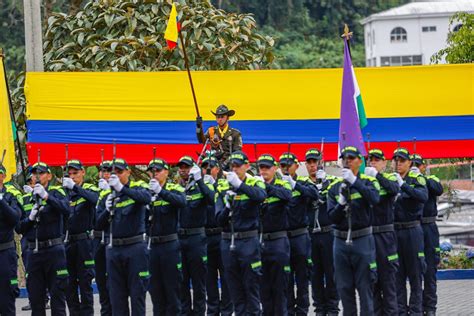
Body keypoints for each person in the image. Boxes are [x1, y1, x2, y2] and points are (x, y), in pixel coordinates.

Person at [327, 146, 380, 315]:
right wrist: (341, 203)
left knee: (365, 288)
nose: (347, 161)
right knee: (344, 288)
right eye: (344, 158)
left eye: (351, 158)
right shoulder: (334, 187)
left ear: (359, 161)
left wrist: (355, 182)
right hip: (340, 242)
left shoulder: (368, 181)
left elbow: (374, 199)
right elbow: (332, 218)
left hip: (362, 240)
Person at [95, 158, 151, 315]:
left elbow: (146, 198)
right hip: (114, 249)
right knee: (117, 298)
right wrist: (107, 210)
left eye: (120, 172)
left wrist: (122, 189)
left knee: (137, 296)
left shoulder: (138, 186)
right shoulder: (106, 195)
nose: (116, 176)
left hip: (135, 248)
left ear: (128, 171)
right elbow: (98, 225)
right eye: (114, 173)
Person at [215, 151, 267, 315]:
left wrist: (240, 185)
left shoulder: (255, 182)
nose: (235, 169)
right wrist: (227, 208)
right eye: (233, 166)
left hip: (248, 242)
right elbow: (218, 219)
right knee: (234, 290)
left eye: (238, 166)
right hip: (228, 242)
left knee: (251, 289)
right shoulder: (223, 186)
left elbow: (261, 196)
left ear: (247, 166)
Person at [17, 161, 70, 315]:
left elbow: (66, 209)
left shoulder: (57, 192)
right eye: (34, 173)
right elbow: (20, 227)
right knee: (36, 299)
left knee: (58, 297)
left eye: (41, 173)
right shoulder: (26, 199)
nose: (37, 176)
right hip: (33, 252)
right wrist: (31, 218)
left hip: (54, 250)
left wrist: (46, 197)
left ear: (49, 175)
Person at [279, 152, 318, 315]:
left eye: (289, 165)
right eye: (283, 166)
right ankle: (288, 310)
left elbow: (315, 194)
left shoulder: (303, 181)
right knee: (285, 278)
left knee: (302, 277)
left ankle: (302, 311)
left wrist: (295, 185)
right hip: (283, 237)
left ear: (296, 165)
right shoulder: (277, 184)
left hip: (300, 236)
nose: (286, 168)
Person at [147, 158, 187, 315]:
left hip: (170, 246)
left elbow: (181, 202)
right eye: (152, 171)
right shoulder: (146, 191)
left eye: (158, 170)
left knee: (173, 292)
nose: (155, 174)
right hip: (152, 247)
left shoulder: (174, 188)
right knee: (156, 293)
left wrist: (161, 192)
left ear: (166, 172)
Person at [392, 148, 428, 315]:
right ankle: (400, 311)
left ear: (409, 163)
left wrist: (403, 185)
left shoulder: (416, 178)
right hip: (396, 232)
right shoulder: (390, 180)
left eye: (402, 160)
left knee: (415, 277)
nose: (398, 163)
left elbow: (423, 196)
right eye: (396, 160)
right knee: (397, 278)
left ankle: (415, 312)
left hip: (412, 230)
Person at [177, 155, 214, 315]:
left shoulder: (202, 186)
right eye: (181, 167)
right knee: (182, 282)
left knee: (199, 283)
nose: (183, 170)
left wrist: (199, 180)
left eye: (186, 167)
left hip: (197, 239)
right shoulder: (176, 188)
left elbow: (211, 199)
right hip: (180, 239)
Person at [305, 148, 340, 316]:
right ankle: (319, 309)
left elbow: (338, 197)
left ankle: (333, 309)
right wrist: (313, 190)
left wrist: (324, 186)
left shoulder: (332, 181)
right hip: (311, 234)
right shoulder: (303, 183)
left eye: (315, 162)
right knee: (315, 274)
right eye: (309, 163)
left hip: (328, 233)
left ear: (322, 163)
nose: (313, 166)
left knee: (331, 273)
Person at [365, 149, 400, 315]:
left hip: (386, 237)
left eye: (377, 160)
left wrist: (377, 176)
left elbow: (394, 189)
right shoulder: (363, 181)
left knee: (389, 285)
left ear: (384, 163)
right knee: (372, 285)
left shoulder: (389, 178)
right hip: (368, 237)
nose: (373, 162)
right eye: (370, 160)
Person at [62, 159, 99, 316]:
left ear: (83, 172)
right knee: (69, 285)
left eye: (75, 173)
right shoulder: (64, 192)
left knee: (85, 284)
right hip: (67, 242)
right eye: (69, 174)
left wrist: (75, 188)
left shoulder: (89, 189)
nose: (72, 176)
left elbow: (96, 200)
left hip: (84, 243)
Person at [257, 154, 292, 315]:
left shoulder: (282, 184)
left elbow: (287, 195)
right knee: (263, 289)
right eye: (261, 167)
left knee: (280, 288)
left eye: (267, 167)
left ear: (274, 168)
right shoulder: (254, 187)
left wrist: (265, 187)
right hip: (260, 241)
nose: (263, 170)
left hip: (278, 241)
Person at [201, 156, 233, 316]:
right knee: (209, 277)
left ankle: (227, 310)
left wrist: (211, 184)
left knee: (226, 275)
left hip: (221, 234)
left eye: (210, 167)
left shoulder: (222, 183)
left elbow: (215, 199)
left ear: (217, 169)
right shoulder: (199, 185)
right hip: (205, 236)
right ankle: (213, 310)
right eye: (204, 167)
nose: (206, 170)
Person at [411, 154, 443, 316]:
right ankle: (414, 306)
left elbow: (438, 189)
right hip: (412, 228)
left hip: (429, 227)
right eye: (412, 164)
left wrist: (422, 178)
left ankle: (430, 307)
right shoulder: (408, 182)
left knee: (430, 269)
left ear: (423, 166)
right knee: (413, 269)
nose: (414, 167)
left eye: (418, 164)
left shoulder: (431, 179)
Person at [0, 164, 22, 315]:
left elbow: (15, 218)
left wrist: (1, 201)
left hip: (5, 253)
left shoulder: (10, 196)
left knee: (7, 298)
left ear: (2, 176)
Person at [93, 160, 113, 316]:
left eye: (108, 171)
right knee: (100, 281)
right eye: (103, 171)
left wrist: (109, 192)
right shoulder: (95, 189)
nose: (105, 174)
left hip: (112, 240)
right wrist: (101, 194)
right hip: (97, 240)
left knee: (114, 283)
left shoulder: (120, 190)